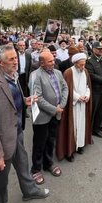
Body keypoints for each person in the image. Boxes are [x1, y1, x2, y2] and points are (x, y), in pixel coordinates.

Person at [0, 45, 49, 203]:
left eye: (16, 58)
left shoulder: (12, 76)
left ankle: (29, 190)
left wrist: (25, 101)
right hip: (2, 141)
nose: (15, 61)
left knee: (23, 164)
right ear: (0, 63)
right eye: (11, 59)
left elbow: (10, 101)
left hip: (16, 132)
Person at [31, 50, 68, 184]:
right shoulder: (36, 76)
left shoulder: (58, 73)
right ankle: (36, 169)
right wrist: (54, 109)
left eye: (53, 60)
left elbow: (65, 88)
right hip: (42, 116)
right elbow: (38, 98)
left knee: (51, 140)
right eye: (50, 61)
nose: (53, 63)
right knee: (39, 143)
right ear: (41, 63)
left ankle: (48, 164)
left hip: (56, 113)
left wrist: (61, 105)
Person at [56, 52, 93, 162]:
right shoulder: (68, 73)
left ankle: (80, 145)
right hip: (73, 105)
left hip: (83, 103)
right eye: (81, 65)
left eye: (84, 64)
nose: (83, 67)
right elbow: (67, 90)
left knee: (81, 125)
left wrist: (87, 96)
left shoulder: (85, 71)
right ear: (75, 63)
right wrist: (77, 97)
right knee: (72, 126)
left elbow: (87, 86)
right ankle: (70, 150)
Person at [85, 41, 102, 138]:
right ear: (93, 49)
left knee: (101, 110)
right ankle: (90, 130)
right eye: (99, 49)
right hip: (95, 90)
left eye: (101, 49)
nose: (101, 50)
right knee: (94, 110)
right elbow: (91, 75)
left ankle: (96, 128)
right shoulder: (89, 61)